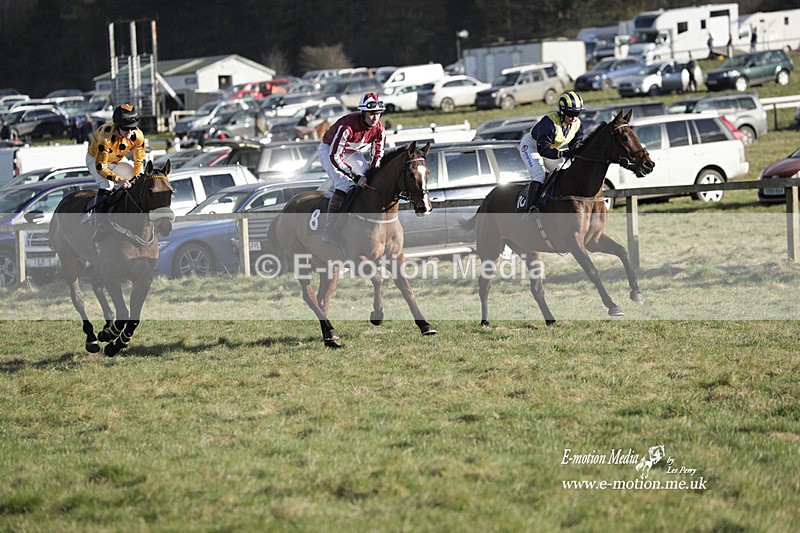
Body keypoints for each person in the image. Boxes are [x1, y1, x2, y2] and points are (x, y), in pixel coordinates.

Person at [318, 92, 386, 244]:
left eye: (378, 113)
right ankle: (329, 231)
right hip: (329, 150)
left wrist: (373, 173)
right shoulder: (347, 127)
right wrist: (355, 177)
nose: (375, 118)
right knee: (343, 184)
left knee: (370, 180)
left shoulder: (380, 129)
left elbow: (377, 154)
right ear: (363, 112)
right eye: (371, 113)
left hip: (351, 151)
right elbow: (335, 156)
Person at [517, 91, 585, 213]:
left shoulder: (577, 125)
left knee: (563, 171)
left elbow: (576, 145)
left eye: (577, 114)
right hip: (531, 147)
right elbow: (543, 150)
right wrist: (563, 153)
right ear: (562, 112)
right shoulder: (549, 123)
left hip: (551, 149)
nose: (574, 118)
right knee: (539, 175)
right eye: (571, 114)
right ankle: (530, 209)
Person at [85, 103, 145, 241]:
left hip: (117, 158)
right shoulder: (105, 137)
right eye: (125, 129)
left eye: (132, 128)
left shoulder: (138, 135)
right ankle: (99, 224)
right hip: (96, 160)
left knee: (135, 182)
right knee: (107, 185)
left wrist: (136, 177)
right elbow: (101, 167)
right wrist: (119, 180)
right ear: (117, 126)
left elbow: (138, 162)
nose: (129, 133)